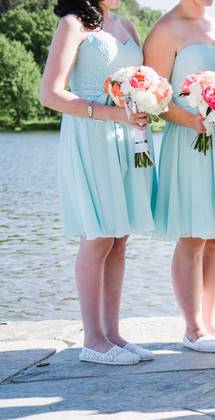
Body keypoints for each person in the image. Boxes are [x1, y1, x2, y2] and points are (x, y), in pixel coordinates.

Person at [40, 0, 156, 366]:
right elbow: (50, 94)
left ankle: (113, 334)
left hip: (129, 136)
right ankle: (92, 340)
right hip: (91, 135)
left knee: (119, 237)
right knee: (98, 234)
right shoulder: (73, 24)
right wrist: (112, 114)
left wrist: (145, 104)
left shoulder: (127, 25)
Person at [145, 0, 215, 354]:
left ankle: (211, 322)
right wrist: (193, 120)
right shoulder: (165, 29)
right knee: (193, 236)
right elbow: (155, 99)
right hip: (191, 138)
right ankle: (192, 328)